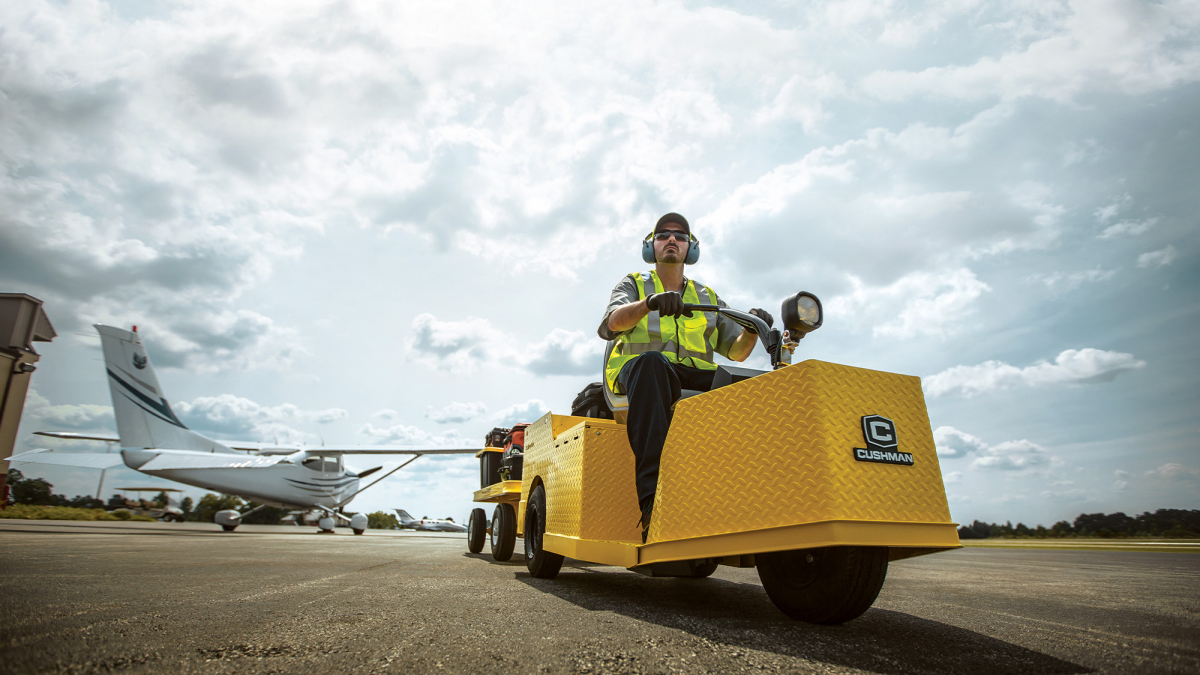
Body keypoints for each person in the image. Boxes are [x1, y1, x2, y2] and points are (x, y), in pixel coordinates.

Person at [598, 212, 773, 541]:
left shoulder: (706, 296)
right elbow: (613, 323)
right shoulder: (634, 284)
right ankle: (653, 502)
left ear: (690, 248)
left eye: (680, 235)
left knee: (752, 389)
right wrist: (649, 303)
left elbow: (736, 352)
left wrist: (750, 329)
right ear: (652, 245)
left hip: (693, 377)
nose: (672, 240)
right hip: (640, 373)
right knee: (653, 364)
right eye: (663, 234)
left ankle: (758, 497)